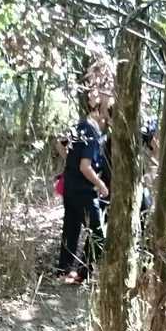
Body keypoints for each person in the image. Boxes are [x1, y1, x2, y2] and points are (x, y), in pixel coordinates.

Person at [58, 93, 111, 285]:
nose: (107, 115)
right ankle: (81, 274)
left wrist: (70, 161)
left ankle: (64, 272)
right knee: (98, 234)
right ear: (98, 110)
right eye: (106, 110)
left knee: (71, 229)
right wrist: (101, 185)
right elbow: (85, 166)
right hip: (84, 190)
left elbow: (60, 143)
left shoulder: (79, 126)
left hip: (70, 186)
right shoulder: (92, 131)